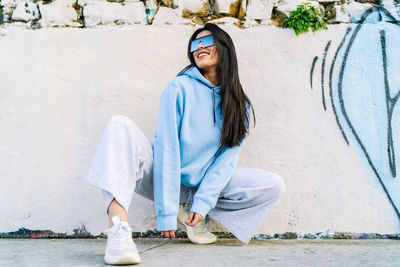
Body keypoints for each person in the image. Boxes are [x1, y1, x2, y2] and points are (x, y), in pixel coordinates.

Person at [84, 23, 286, 265]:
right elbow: (168, 150)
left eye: (207, 41)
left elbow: (226, 162)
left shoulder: (241, 105)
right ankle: (118, 230)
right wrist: (166, 213)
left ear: (225, 48)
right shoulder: (178, 88)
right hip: (161, 176)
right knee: (119, 125)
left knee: (273, 185)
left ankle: (195, 214)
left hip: (200, 186)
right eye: (195, 43)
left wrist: (202, 204)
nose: (199, 46)